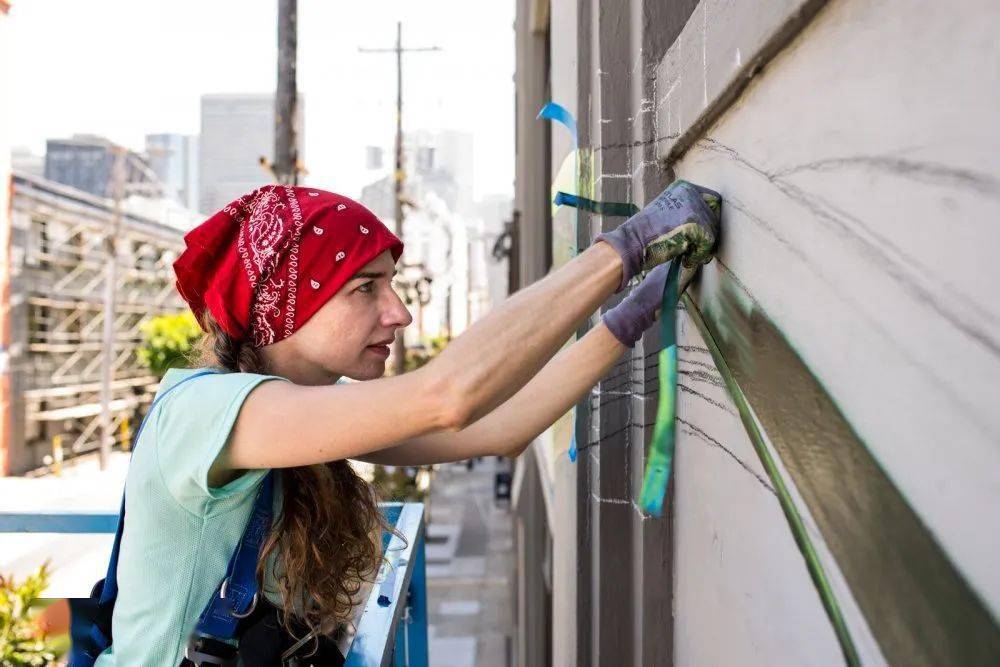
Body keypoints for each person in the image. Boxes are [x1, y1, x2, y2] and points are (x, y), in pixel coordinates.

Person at [94, 180, 720, 665]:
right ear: (286, 304)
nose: (399, 313)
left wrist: (634, 314)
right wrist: (628, 248)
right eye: (364, 288)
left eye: (391, 284)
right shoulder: (205, 414)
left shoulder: (306, 410)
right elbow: (447, 396)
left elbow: (500, 428)